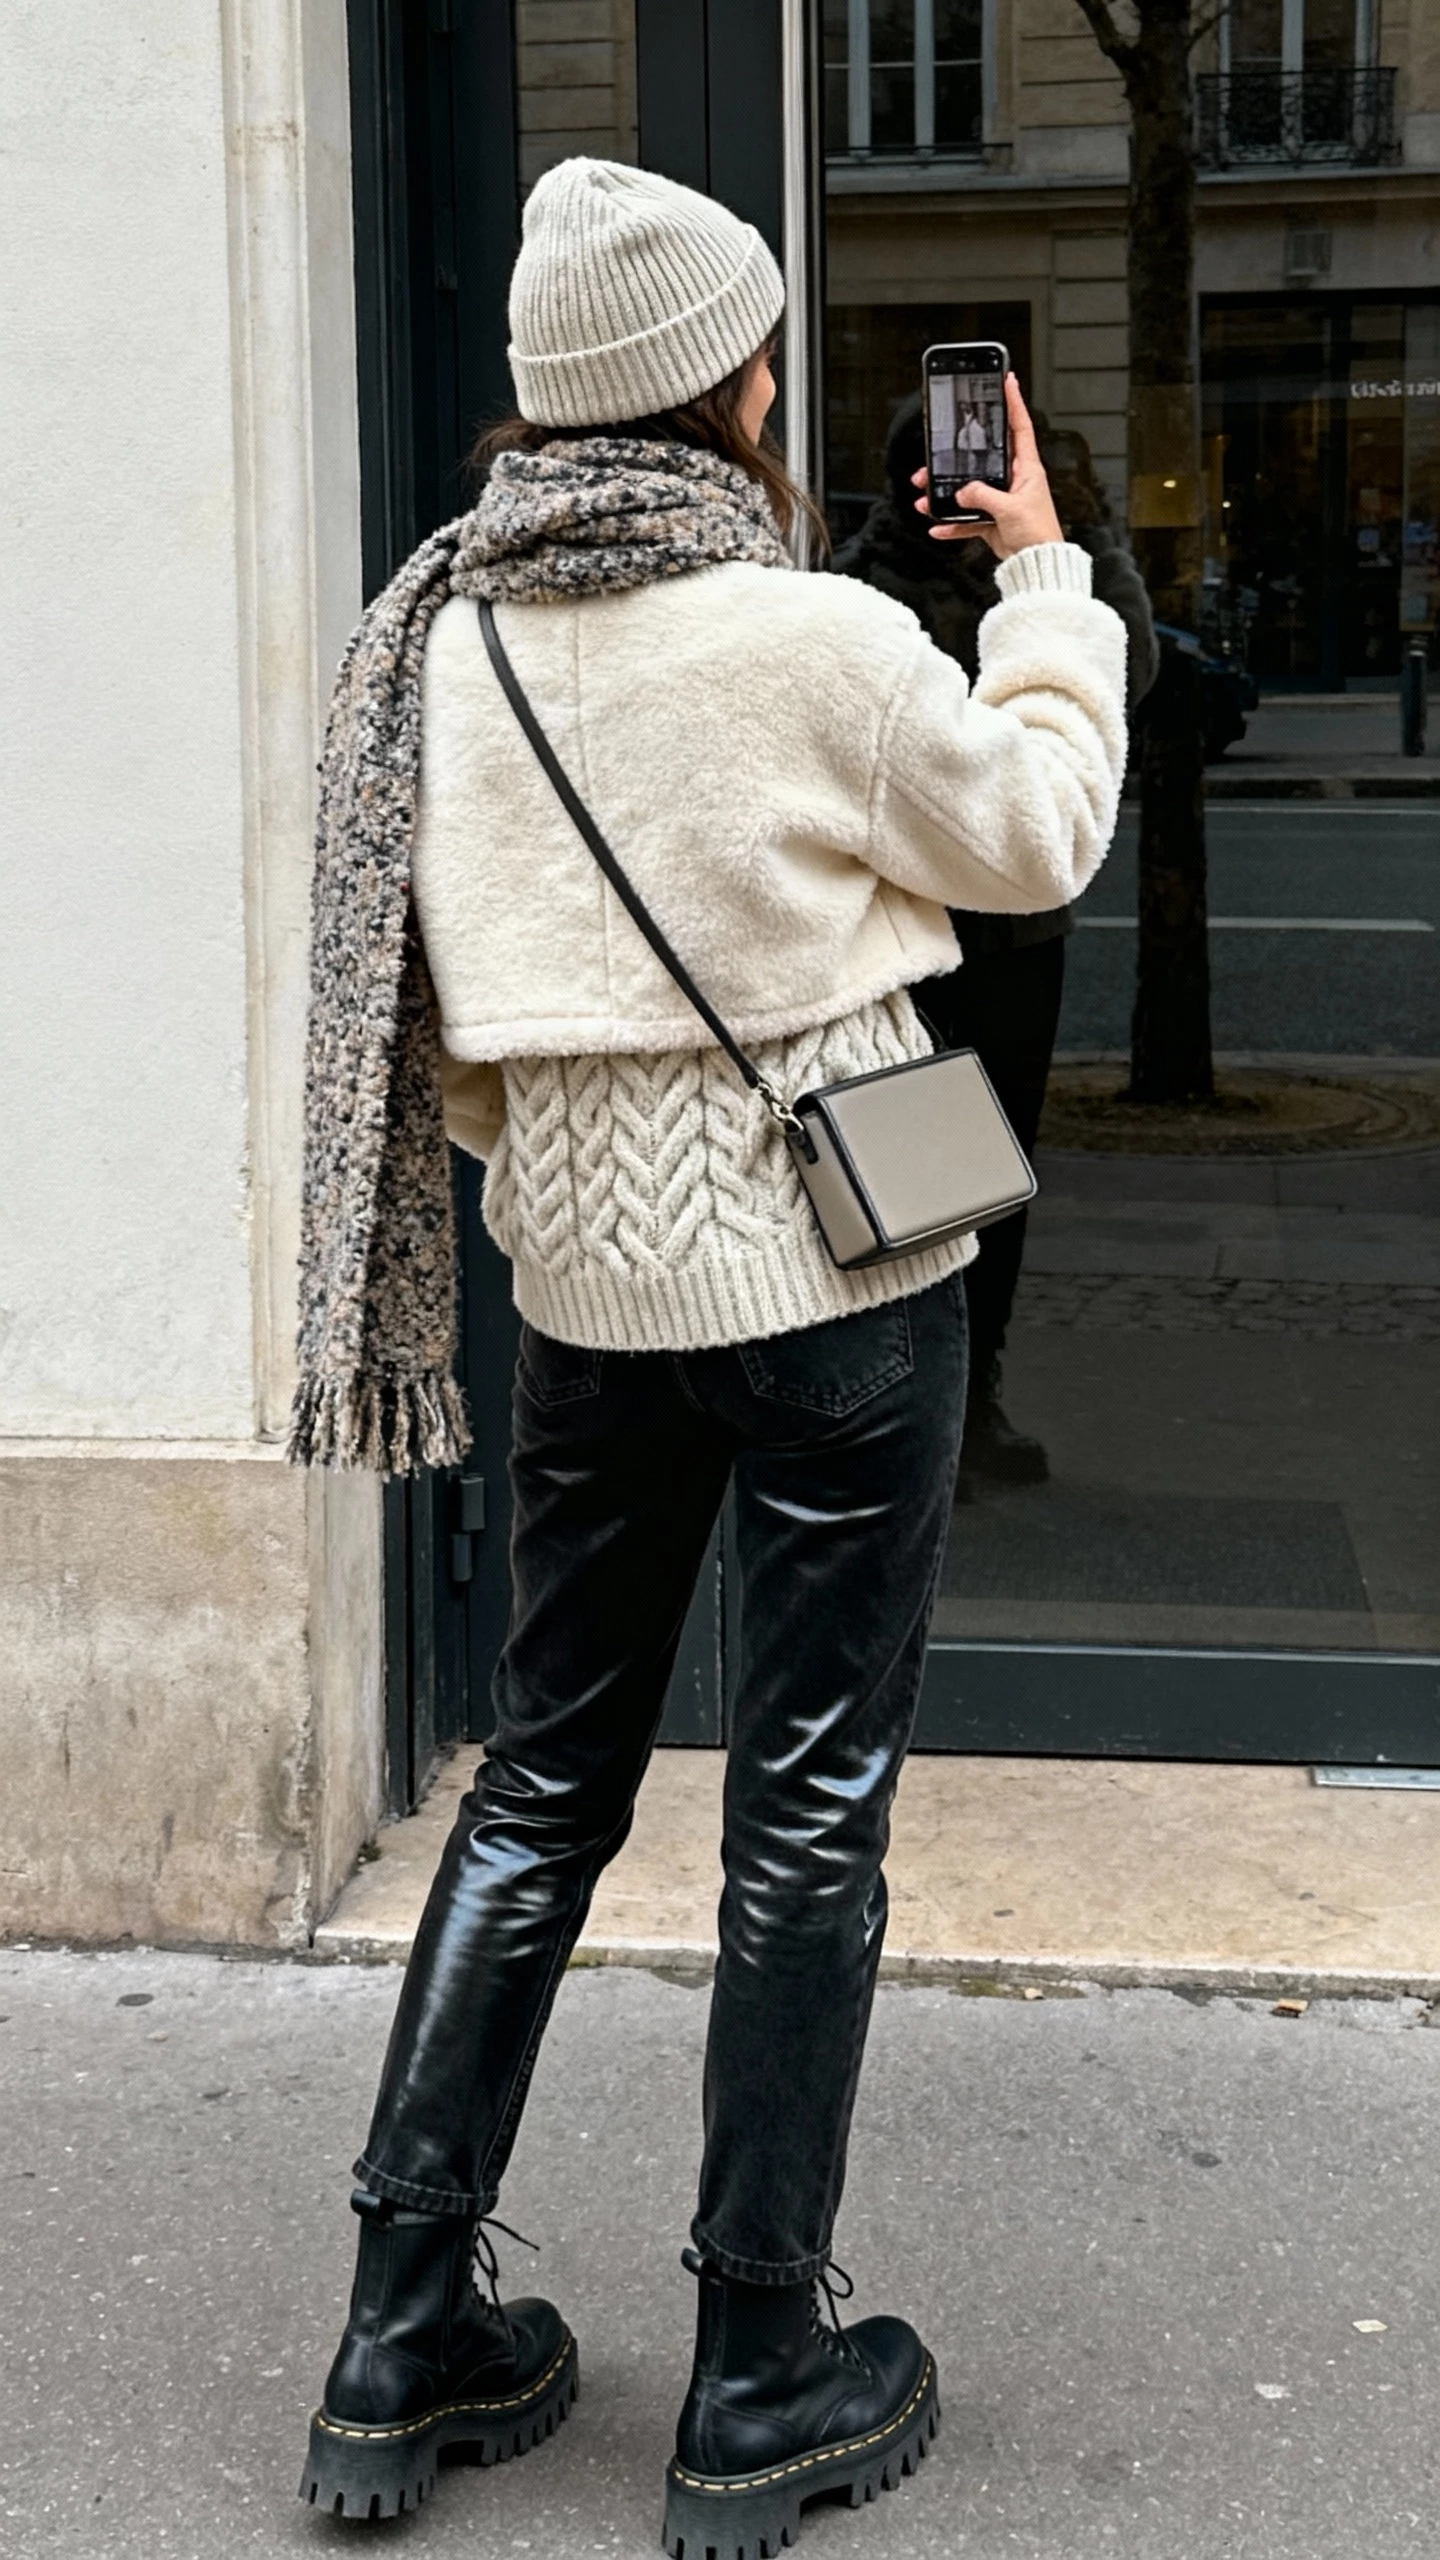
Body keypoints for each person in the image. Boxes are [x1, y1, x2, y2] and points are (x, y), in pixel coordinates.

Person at [290, 157, 1127, 2553]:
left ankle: (393, 2327)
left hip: (579, 1294)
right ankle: (758, 2360)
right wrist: (1039, 574)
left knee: (539, 1784)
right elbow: (1036, 828)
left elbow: (446, 1015)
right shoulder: (802, 634)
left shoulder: (437, 642)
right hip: (847, 1279)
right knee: (806, 1806)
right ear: (727, 385)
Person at [835, 398, 1157, 1494]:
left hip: (1018, 932)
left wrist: (1068, 542)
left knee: (1001, 1169)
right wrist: (903, 539)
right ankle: (909, 1403)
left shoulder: (1055, 564)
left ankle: (978, 1398)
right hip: (907, 934)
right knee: (909, 1172)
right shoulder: (867, 584)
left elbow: (1138, 668)